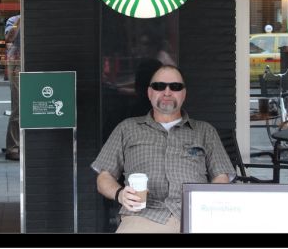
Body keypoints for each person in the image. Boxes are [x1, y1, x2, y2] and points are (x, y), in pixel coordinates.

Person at [91, 65, 234, 233]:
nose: (167, 92)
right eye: (159, 86)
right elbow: (104, 177)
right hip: (143, 215)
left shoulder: (205, 131)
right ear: (149, 92)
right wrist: (120, 194)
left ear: (184, 93)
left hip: (196, 215)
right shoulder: (127, 128)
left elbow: (221, 176)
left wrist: (207, 204)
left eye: (175, 87)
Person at [4, 14, 21, 160]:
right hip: (17, 62)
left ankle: (24, 144)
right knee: (18, 106)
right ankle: (13, 147)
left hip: (34, 59)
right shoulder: (13, 20)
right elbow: (10, 38)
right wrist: (20, 20)